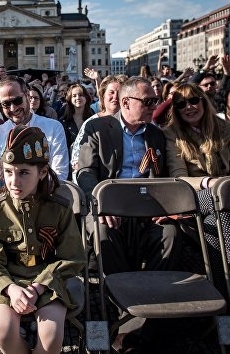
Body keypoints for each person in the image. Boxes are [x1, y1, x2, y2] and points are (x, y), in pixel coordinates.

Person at [0, 126, 85, 354]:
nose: (14, 181)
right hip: (7, 279)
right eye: (8, 172)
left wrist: (38, 286)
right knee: (4, 334)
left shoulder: (59, 208)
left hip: (49, 279)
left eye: (23, 172)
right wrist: (11, 289)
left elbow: (72, 256)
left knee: (51, 338)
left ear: (42, 172)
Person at [77, 77, 181, 275]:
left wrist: (165, 208)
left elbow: (163, 176)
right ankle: (118, 292)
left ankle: (155, 288)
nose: (154, 106)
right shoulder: (97, 128)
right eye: (148, 101)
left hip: (146, 204)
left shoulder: (155, 135)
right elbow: (85, 172)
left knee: (170, 232)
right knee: (103, 232)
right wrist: (101, 204)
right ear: (126, 102)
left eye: (155, 100)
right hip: (109, 202)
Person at [164, 83, 230, 269]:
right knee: (222, 195)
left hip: (224, 199)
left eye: (193, 101)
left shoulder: (224, 128)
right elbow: (179, 177)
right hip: (191, 197)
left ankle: (225, 280)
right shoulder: (172, 133)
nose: (188, 107)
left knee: (216, 220)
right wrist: (209, 182)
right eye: (181, 104)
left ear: (203, 101)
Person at [0, 76, 69, 180]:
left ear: (27, 95)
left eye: (17, 101)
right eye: (6, 104)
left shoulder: (53, 127)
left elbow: (59, 173)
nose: (13, 108)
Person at [69, 75, 123, 172]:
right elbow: (76, 160)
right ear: (102, 96)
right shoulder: (91, 123)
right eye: (111, 92)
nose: (115, 97)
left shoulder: (131, 122)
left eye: (119, 93)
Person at [59, 83, 93, 154]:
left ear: (86, 97)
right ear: (70, 99)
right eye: (74, 96)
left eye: (81, 95)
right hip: (70, 161)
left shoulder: (93, 118)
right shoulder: (63, 122)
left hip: (90, 160)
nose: (78, 98)